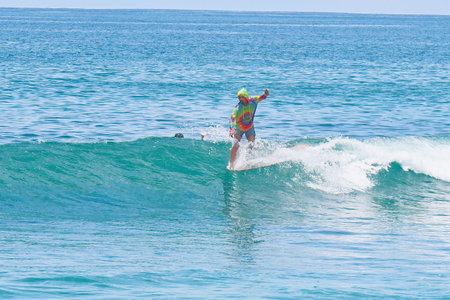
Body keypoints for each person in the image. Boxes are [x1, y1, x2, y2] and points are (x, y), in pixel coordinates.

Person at [229, 88, 270, 169]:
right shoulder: (237, 107)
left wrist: (266, 93)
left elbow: (263, 97)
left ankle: (244, 160)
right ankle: (232, 164)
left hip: (249, 127)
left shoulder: (253, 101)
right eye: (239, 98)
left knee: (251, 143)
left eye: (242, 97)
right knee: (235, 144)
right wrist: (231, 129)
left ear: (246, 96)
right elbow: (232, 119)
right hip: (239, 127)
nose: (240, 99)